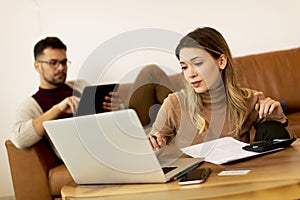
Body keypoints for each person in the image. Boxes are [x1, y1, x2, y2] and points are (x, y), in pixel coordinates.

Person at [144, 27, 293, 151]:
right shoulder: (174, 103)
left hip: (238, 177)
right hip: (195, 180)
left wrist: (280, 118)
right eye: (184, 67)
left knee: (272, 128)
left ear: (221, 62)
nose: (190, 74)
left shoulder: (249, 100)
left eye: (198, 63)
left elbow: (288, 147)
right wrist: (155, 144)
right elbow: (153, 145)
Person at [10, 37, 118, 151]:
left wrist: (115, 108)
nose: (61, 68)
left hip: (105, 142)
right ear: (37, 66)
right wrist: (58, 109)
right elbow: (19, 140)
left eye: (63, 62)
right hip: (79, 152)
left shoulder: (81, 86)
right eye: (53, 63)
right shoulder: (30, 105)